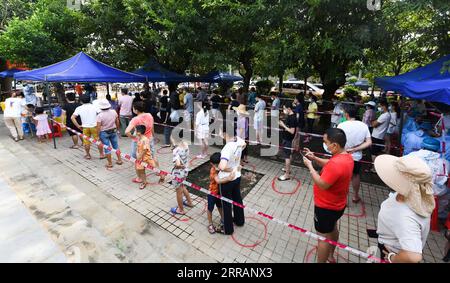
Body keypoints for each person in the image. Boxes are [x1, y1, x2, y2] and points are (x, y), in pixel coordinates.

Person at [302, 128, 354, 263]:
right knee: (332, 228)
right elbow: (330, 164)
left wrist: (310, 166)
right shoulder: (346, 157)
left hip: (326, 207)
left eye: (326, 142)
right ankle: (330, 255)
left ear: (335, 145)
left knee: (323, 238)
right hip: (338, 205)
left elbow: (322, 184)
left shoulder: (336, 164)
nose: (324, 144)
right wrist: (314, 158)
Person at [374, 154, 435, 263]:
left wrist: (392, 258)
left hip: (392, 251)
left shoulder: (405, 215)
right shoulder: (415, 197)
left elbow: (412, 256)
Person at [408, 137, 450, 220]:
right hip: (432, 190)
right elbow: (443, 179)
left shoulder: (412, 155)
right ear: (438, 149)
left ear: (422, 146)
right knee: (447, 192)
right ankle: (437, 213)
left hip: (411, 186)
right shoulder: (445, 162)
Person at [337, 105, 372, 203]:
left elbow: (337, 140)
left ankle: (343, 199)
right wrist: (355, 149)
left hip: (342, 155)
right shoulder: (363, 125)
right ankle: (355, 196)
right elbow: (369, 142)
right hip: (356, 156)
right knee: (355, 176)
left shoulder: (341, 125)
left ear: (347, 114)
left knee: (342, 177)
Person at [125, 101, 164, 183]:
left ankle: (139, 178)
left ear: (136, 110)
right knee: (152, 156)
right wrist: (153, 137)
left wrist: (134, 138)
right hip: (149, 139)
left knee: (136, 159)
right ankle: (158, 171)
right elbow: (152, 128)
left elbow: (127, 132)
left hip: (140, 141)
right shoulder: (149, 115)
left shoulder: (135, 119)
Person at [218, 130, 246, 235]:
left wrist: (226, 169)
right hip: (237, 176)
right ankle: (240, 220)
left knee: (226, 204)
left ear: (226, 133)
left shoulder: (227, 148)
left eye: (221, 131)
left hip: (227, 179)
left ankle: (228, 229)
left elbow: (222, 166)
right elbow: (244, 144)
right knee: (237, 199)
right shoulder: (238, 140)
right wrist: (235, 167)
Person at [207, 152, 236, 234]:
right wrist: (229, 178)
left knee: (220, 206)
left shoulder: (219, 167)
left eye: (218, 164)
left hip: (219, 193)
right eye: (215, 165)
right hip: (212, 193)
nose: (217, 167)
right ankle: (210, 224)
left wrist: (235, 169)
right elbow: (218, 181)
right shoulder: (213, 171)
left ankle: (223, 219)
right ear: (211, 164)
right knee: (210, 208)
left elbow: (227, 169)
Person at [71, 94, 105, 160]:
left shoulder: (79, 108)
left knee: (86, 142)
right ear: (90, 99)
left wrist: (78, 126)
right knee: (98, 140)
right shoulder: (94, 106)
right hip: (95, 126)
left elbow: (72, 117)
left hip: (85, 127)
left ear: (81, 101)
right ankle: (101, 154)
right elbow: (101, 114)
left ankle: (88, 155)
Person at [96, 99, 123, 169]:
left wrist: (98, 135)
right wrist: (117, 129)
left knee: (107, 148)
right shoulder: (113, 112)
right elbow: (117, 121)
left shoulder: (99, 115)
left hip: (104, 132)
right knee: (116, 146)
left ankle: (110, 163)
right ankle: (119, 160)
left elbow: (98, 127)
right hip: (113, 130)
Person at [170, 139, 193, 215]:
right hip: (185, 172)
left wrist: (180, 166)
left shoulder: (176, 150)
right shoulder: (186, 144)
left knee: (178, 191)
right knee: (183, 186)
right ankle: (189, 202)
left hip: (178, 173)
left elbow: (177, 164)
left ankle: (181, 210)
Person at [278, 103, 298, 181]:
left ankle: (286, 175)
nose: (284, 110)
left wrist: (283, 125)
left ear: (289, 108)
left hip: (288, 139)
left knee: (287, 156)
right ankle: (287, 169)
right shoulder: (290, 116)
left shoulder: (293, 118)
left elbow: (292, 131)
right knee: (288, 155)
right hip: (286, 138)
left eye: (284, 108)